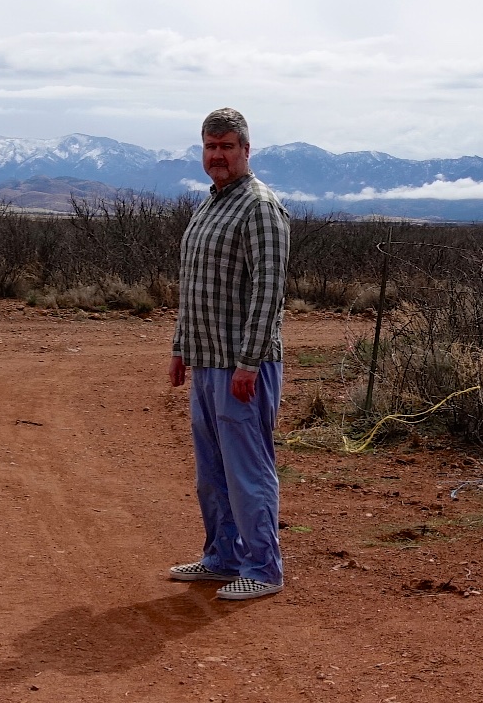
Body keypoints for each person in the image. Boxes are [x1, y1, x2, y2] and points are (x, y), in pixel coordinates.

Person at [163, 107, 291, 601]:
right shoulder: (209, 205)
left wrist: (250, 361)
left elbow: (268, 291)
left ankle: (262, 568)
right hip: (206, 360)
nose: (218, 155)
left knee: (246, 470)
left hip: (243, 366)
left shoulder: (259, 207)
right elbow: (193, 286)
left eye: (227, 146)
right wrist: (180, 348)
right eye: (210, 146)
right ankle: (222, 557)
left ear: (245, 150)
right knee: (211, 472)